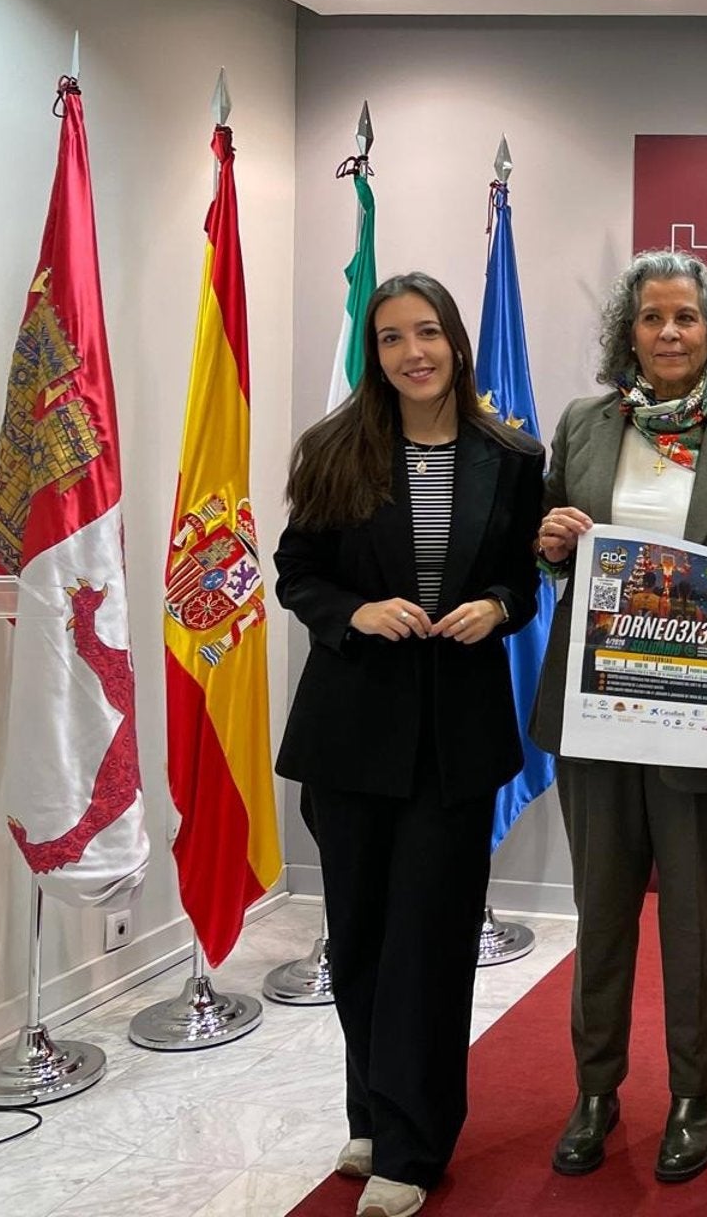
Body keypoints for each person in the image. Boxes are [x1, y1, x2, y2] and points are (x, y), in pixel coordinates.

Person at [275, 272, 545, 1217]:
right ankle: (373, 1113)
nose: (411, 352)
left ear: (456, 343)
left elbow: (522, 581)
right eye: (391, 337)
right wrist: (354, 613)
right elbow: (297, 574)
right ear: (374, 353)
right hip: (350, 734)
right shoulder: (333, 448)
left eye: (426, 332)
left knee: (428, 945)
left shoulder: (512, 455)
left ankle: (413, 1147)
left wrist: (498, 607)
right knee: (358, 940)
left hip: (455, 741)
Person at [530, 251, 707, 1185]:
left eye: (685, 316)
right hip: (595, 709)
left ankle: (694, 1091)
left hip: (698, 717)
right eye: (652, 318)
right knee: (600, 913)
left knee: (695, 920)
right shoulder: (582, 425)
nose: (669, 332)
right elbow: (549, 551)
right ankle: (595, 1090)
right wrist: (549, 540)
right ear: (628, 332)